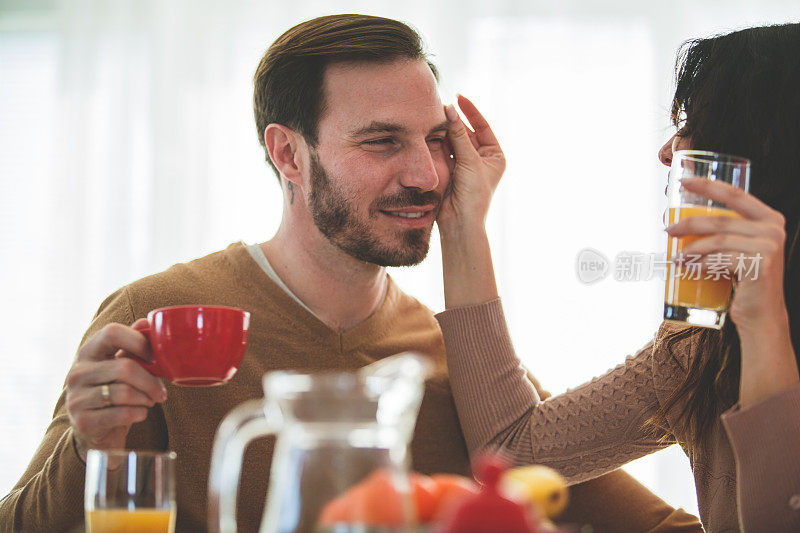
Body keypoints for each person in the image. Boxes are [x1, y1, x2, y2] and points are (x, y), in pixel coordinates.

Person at [0, 14, 702, 533]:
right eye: (382, 141)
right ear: (290, 155)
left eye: (436, 140)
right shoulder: (163, 316)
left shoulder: (457, 361)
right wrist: (92, 447)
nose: (426, 175)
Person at [434, 23, 800, 532]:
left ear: (771, 145)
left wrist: (767, 327)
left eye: (699, 123)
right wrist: (462, 223)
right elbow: (516, 452)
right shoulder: (699, 345)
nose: (669, 151)